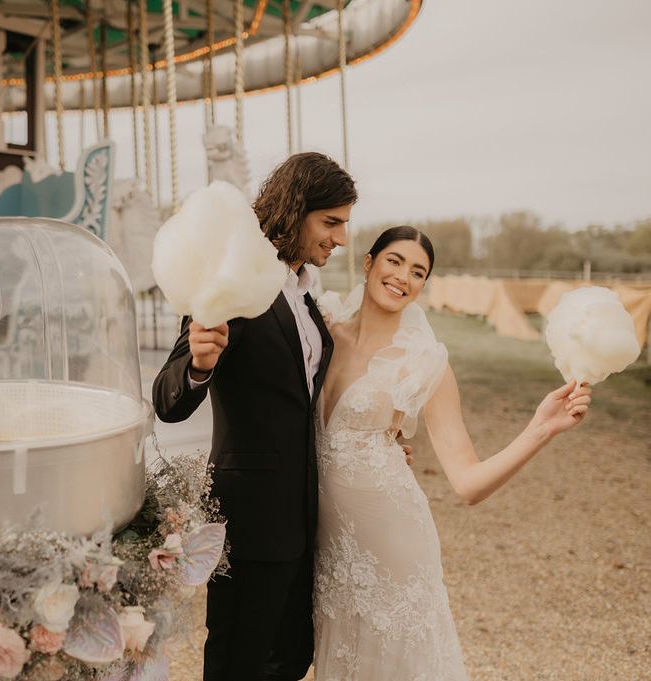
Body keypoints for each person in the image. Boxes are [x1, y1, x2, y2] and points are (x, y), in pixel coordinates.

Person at [312, 225, 592, 681]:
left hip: (392, 548)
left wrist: (542, 428)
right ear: (369, 263)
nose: (403, 276)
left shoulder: (425, 363)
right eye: (395, 261)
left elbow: (467, 483)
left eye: (418, 272)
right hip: (328, 549)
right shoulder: (321, 330)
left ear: (424, 286)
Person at [152, 152, 357, 681]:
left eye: (345, 224)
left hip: (304, 514)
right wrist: (198, 363)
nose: (341, 238)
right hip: (250, 516)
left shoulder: (307, 297)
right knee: (238, 660)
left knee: (290, 656)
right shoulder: (236, 281)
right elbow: (168, 401)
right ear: (296, 210)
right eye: (331, 223)